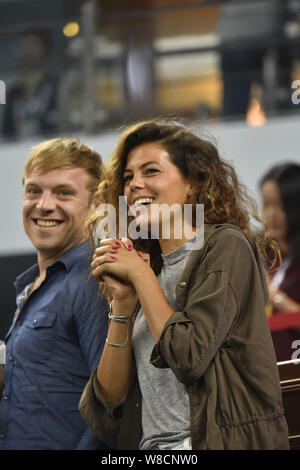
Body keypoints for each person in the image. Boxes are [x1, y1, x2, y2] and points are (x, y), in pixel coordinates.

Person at [79, 119, 289, 450]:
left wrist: (141, 276)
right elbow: (108, 402)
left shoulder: (225, 246)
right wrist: (121, 306)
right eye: (128, 176)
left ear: (191, 182)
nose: (135, 184)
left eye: (150, 171)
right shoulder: (146, 267)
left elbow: (189, 356)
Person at [0, 137, 108, 450]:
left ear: (96, 205)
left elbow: (114, 407)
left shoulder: (97, 279)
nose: (44, 204)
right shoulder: (31, 285)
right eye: (34, 190)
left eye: (64, 192)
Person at [260, 163, 300, 362]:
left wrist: (274, 297)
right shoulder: (267, 258)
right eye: (267, 204)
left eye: (280, 205)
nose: (271, 214)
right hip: (271, 374)